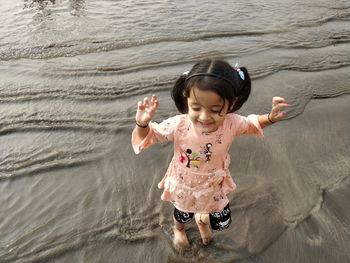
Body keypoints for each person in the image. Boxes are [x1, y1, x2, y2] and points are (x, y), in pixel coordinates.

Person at [131, 59, 289, 249]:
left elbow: (251, 124)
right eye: (196, 108)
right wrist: (142, 124)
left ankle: (202, 220)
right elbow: (151, 135)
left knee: (221, 221)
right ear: (186, 99)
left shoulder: (231, 123)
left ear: (231, 104)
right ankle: (179, 229)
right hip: (184, 182)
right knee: (182, 212)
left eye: (216, 110)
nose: (205, 117)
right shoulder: (179, 125)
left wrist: (270, 117)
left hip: (213, 183)